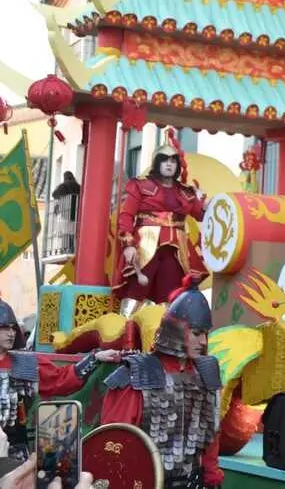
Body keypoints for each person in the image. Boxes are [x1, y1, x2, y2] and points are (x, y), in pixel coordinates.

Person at [99, 274, 223, 489]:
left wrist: (212, 476)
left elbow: (211, 435)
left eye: (205, 333)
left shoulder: (207, 372)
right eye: (196, 333)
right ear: (176, 332)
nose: (203, 341)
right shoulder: (138, 374)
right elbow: (115, 443)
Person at [0, 296, 119, 463]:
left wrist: (94, 358)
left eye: (13, 328)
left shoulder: (25, 364)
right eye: (4, 328)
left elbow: (61, 379)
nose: (11, 333)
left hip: (14, 451)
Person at [113, 143, 207, 311]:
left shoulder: (186, 192)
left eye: (173, 160)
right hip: (145, 245)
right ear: (156, 163)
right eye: (164, 160)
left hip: (176, 249)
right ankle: (123, 325)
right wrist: (128, 244)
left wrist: (203, 201)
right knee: (136, 291)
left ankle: (165, 327)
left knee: (171, 295)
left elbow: (202, 215)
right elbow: (126, 216)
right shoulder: (140, 186)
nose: (169, 164)